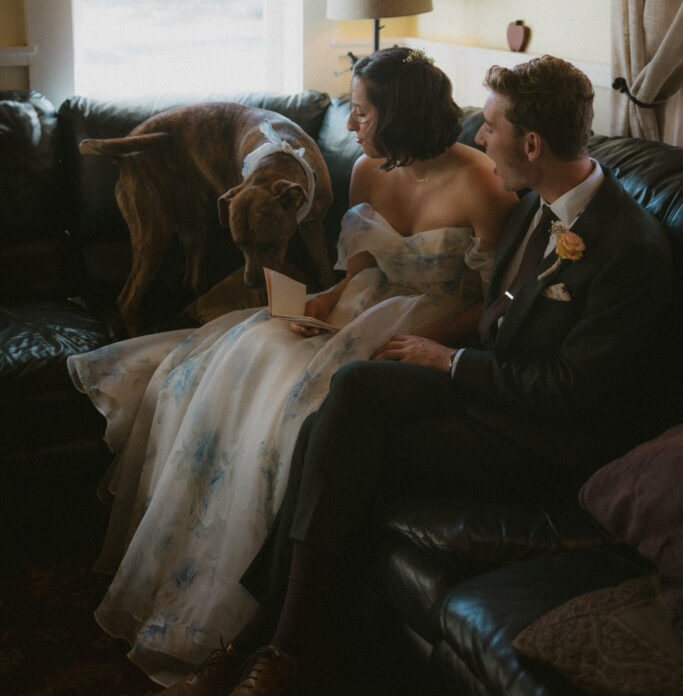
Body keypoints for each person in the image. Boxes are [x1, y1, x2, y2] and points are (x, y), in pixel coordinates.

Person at [161, 54, 675, 696]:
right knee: (347, 396)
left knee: (342, 443)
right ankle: (275, 634)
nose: (480, 139)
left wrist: (451, 360)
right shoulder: (540, 206)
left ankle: (283, 647)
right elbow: (500, 312)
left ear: (533, 143)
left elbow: (573, 395)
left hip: (547, 442)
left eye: (489, 127)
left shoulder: (630, 250)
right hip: (496, 391)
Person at [68, 46, 515, 685]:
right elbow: (363, 261)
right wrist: (326, 301)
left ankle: (264, 621)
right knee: (255, 346)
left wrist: (426, 346)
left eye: (362, 112)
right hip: (367, 308)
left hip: (434, 328)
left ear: (401, 112)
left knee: (300, 397)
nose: (352, 125)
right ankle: (192, 565)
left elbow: (496, 304)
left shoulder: (481, 181)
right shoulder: (367, 169)